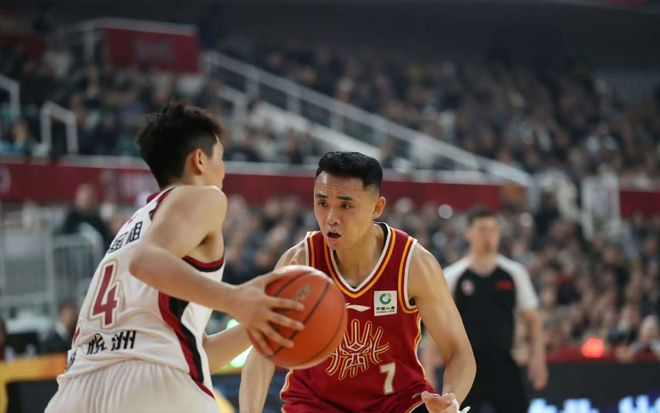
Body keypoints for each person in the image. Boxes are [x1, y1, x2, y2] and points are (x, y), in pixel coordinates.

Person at [46, 102, 304, 412]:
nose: (224, 171)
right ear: (199, 160)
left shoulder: (135, 225)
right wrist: (236, 299)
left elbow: (198, 353)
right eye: (221, 158)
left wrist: (263, 318)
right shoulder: (203, 196)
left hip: (75, 390)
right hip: (149, 385)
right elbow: (146, 262)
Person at [240, 151, 476, 413]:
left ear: (377, 207)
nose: (331, 217)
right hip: (313, 405)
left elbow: (459, 352)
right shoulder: (299, 262)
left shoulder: (413, 264)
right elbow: (262, 352)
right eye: (322, 202)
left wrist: (450, 400)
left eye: (345, 206)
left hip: (397, 404)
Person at [422, 207, 548, 413]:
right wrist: (428, 367)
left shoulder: (514, 273)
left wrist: (538, 359)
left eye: (493, 229)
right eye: (482, 229)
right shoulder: (453, 275)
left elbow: (533, 318)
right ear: (468, 233)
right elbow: (436, 323)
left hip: (503, 362)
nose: (488, 235)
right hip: (464, 365)